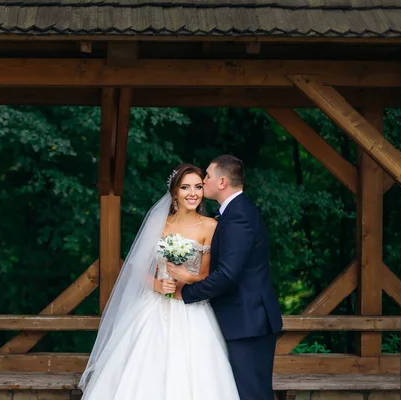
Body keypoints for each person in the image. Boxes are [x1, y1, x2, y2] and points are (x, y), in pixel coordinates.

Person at [78, 163, 239, 400]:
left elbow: (205, 276)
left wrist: (186, 279)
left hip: (191, 308)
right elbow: (136, 267)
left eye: (197, 187)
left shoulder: (210, 226)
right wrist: (157, 285)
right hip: (153, 306)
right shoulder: (159, 223)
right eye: (185, 187)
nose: (192, 193)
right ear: (175, 192)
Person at [168, 155, 283, 400]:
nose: (203, 181)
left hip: (248, 322)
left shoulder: (238, 216)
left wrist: (187, 291)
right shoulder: (235, 212)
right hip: (244, 320)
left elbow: (228, 275)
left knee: (253, 394)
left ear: (221, 182)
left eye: (206, 177)